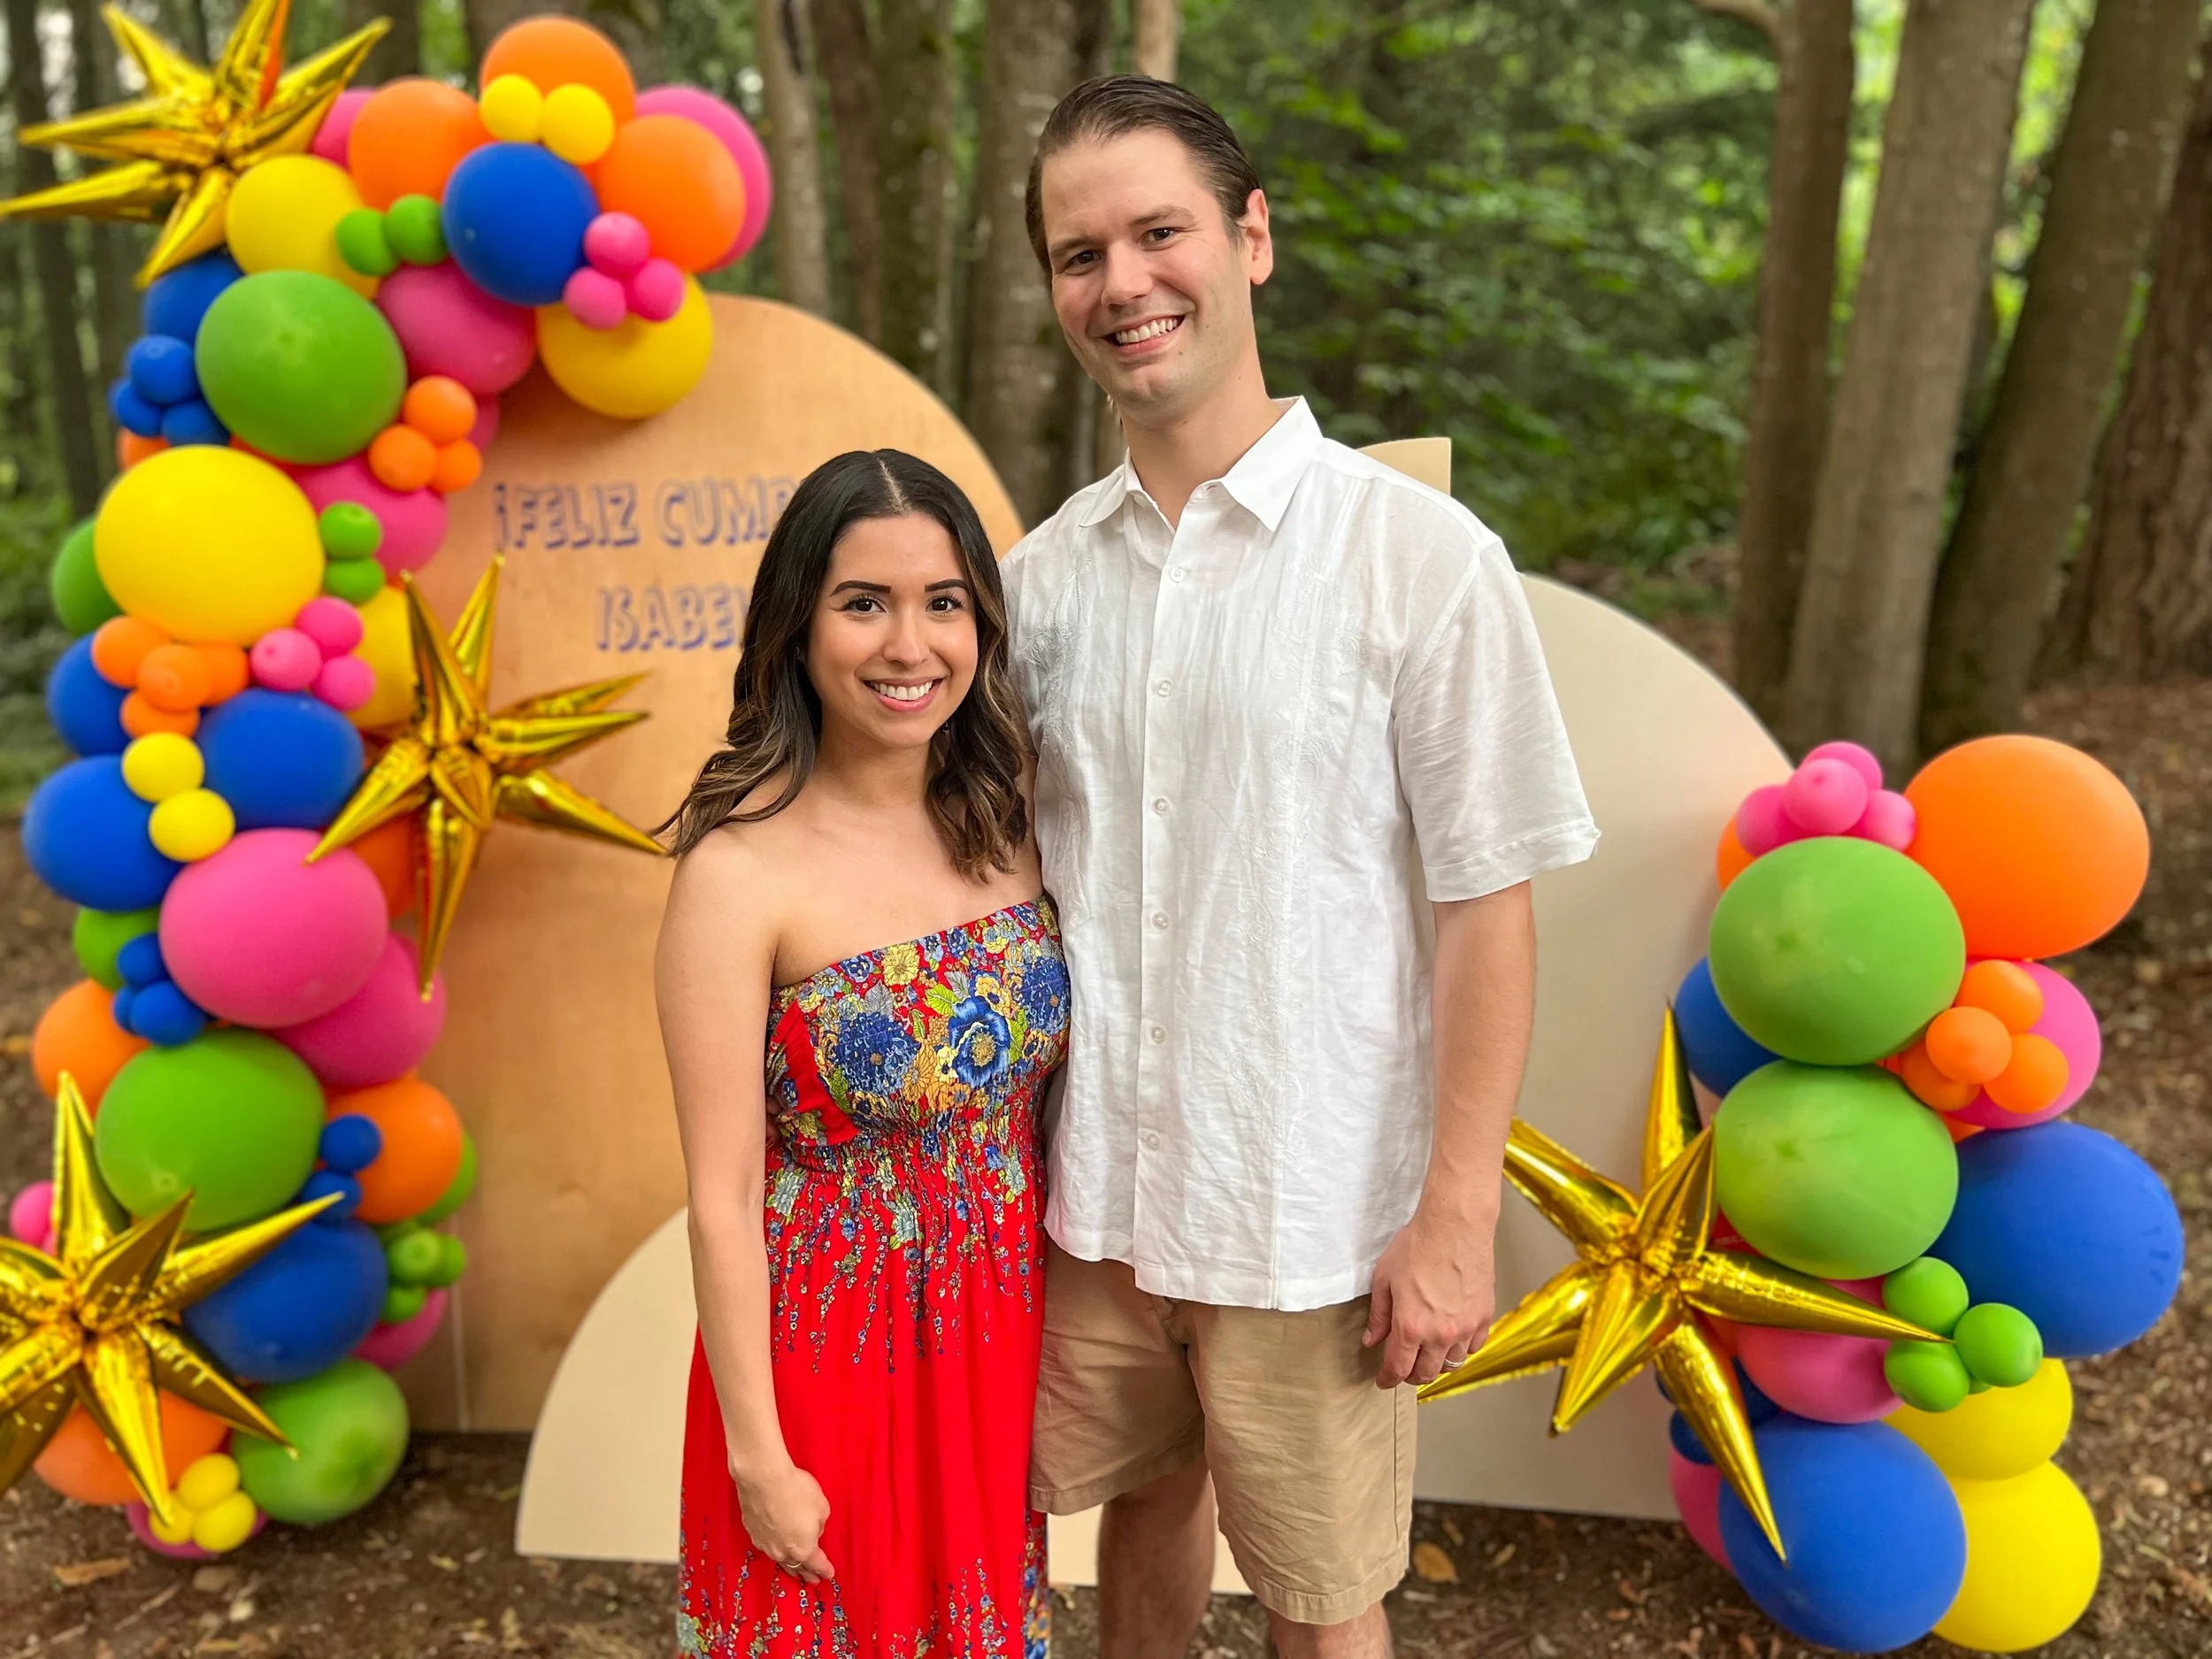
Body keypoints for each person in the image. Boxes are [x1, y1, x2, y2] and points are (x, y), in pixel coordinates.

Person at [1005, 76, 1601, 1656]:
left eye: (1158, 232)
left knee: (1323, 1598)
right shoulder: (1037, 580)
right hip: (1095, 1201)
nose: (1122, 282)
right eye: (1080, 254)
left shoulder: (1417, 559)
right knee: (1137, 1516)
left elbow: (1487, 901)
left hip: (1305, 1207)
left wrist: (1453, 1214)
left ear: (1251, 238)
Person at [655, 449, 1068, 1659]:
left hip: (993, 1343)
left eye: (944, 601)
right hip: (822, 1360)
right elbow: (723, 1198)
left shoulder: (1013, 822)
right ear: (798, 622)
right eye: (863, 602)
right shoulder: (739, 874)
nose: (910, 644)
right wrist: (758, 1453)